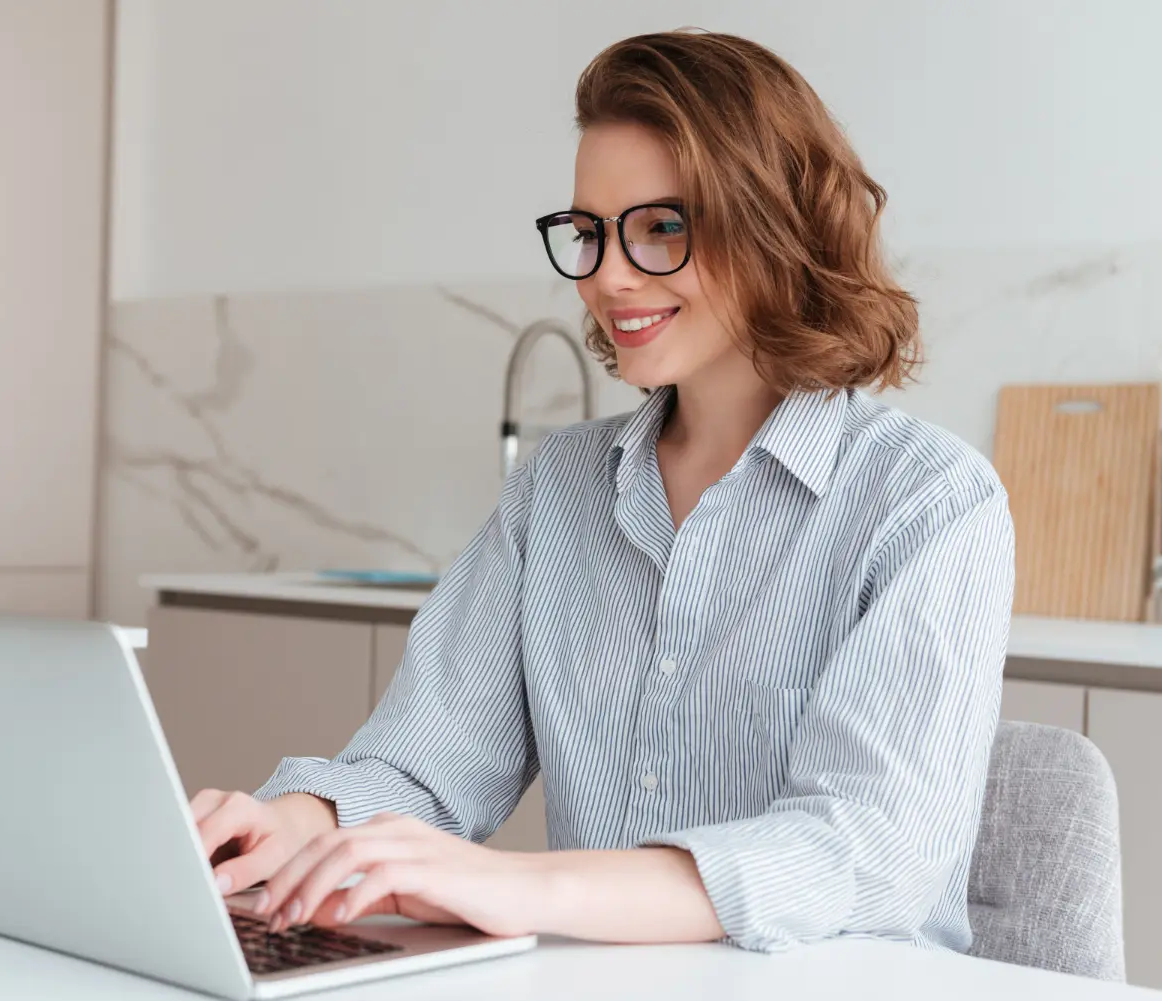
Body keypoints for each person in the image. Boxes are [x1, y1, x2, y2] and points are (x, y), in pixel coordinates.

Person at [188, 29, 1014, 952]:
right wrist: (300, 821)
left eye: (662, 226)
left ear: (775, 228)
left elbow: (860, 852)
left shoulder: (930, 501)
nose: (608, 275)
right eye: (588, 231)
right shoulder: (560, 488)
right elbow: (425, 764)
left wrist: (518, 885)